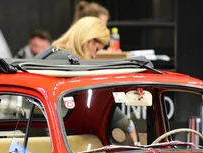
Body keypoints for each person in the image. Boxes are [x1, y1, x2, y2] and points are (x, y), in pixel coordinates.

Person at [37, 17, 138, 145]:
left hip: (34, 133)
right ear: (89, 41)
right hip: (54, 138)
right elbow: (96, 96)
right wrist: (126, 123)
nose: (95, 55)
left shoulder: (48, 53)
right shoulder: (72, 62)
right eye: (96, 49)